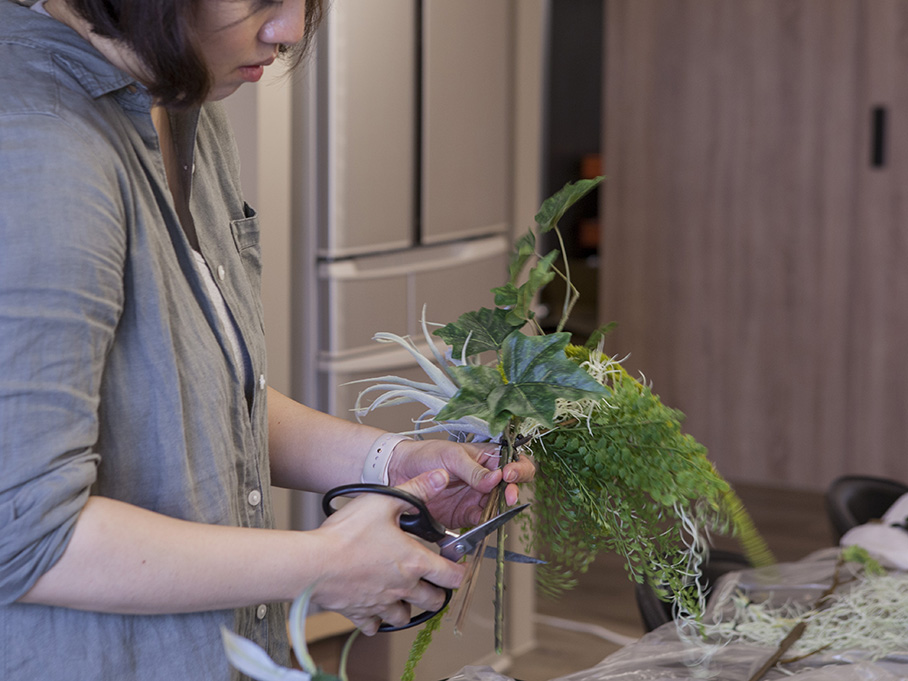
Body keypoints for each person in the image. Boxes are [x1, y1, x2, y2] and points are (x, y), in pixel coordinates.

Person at [0, 0, 536, 679]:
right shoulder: (36, 146)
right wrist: (324, 564)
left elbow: (193, 392)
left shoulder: (185, 100)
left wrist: (388, 462)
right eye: (258, 1)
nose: (288, 31)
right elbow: (26, 533)